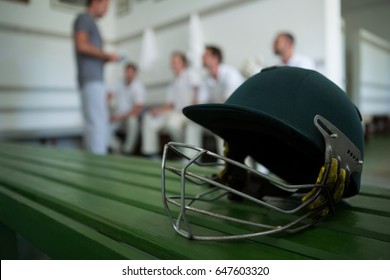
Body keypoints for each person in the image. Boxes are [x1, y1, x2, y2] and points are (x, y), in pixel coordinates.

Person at [73, 0, 119, 155]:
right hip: (92, 80)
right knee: (98, 123)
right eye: (106, 5)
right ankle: (99, 161)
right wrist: (106, 55)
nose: (106, 10)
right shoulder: (85, 19)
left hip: (91, 79)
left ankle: (93, 159)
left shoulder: (89, 22)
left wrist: (104, 59)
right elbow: (82, 45)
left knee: (93, 123)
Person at [185, 45, 244, 153]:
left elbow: (231, 100)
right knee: (193, 123)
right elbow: (201, 101)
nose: (202, 57)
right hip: (220, 112)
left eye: (206, 55)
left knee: (221, 125)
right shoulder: (205, 78)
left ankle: (224, 164)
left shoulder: (230, 73)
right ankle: (190, 158)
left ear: (216, 58)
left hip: (237, 114)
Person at [141, 51, 199, 158]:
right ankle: (151, 153)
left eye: (175, 62)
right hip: (174, 112)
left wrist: (194, 111)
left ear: (183, 63)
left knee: (172, 124)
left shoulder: (190, 74)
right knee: (149, 117)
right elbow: (169, 104)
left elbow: (197, 91)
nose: (172, 65)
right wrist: (156, 111)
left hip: (187, 112)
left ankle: (186, 154)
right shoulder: (173, 82)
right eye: (172, 62)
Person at [108, 63, 145, 154]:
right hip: (118, 116)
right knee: (103, 124)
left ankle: (127, 150)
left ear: (135, 74)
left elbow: (137, 109)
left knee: (132, 121)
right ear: (124, 72)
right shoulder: (118, 83)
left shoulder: (139, 87)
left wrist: (120, 117)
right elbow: (109, 95)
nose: (128, 75)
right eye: (127, 72)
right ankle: (116, 146)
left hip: (128, 117)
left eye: (131, 73)